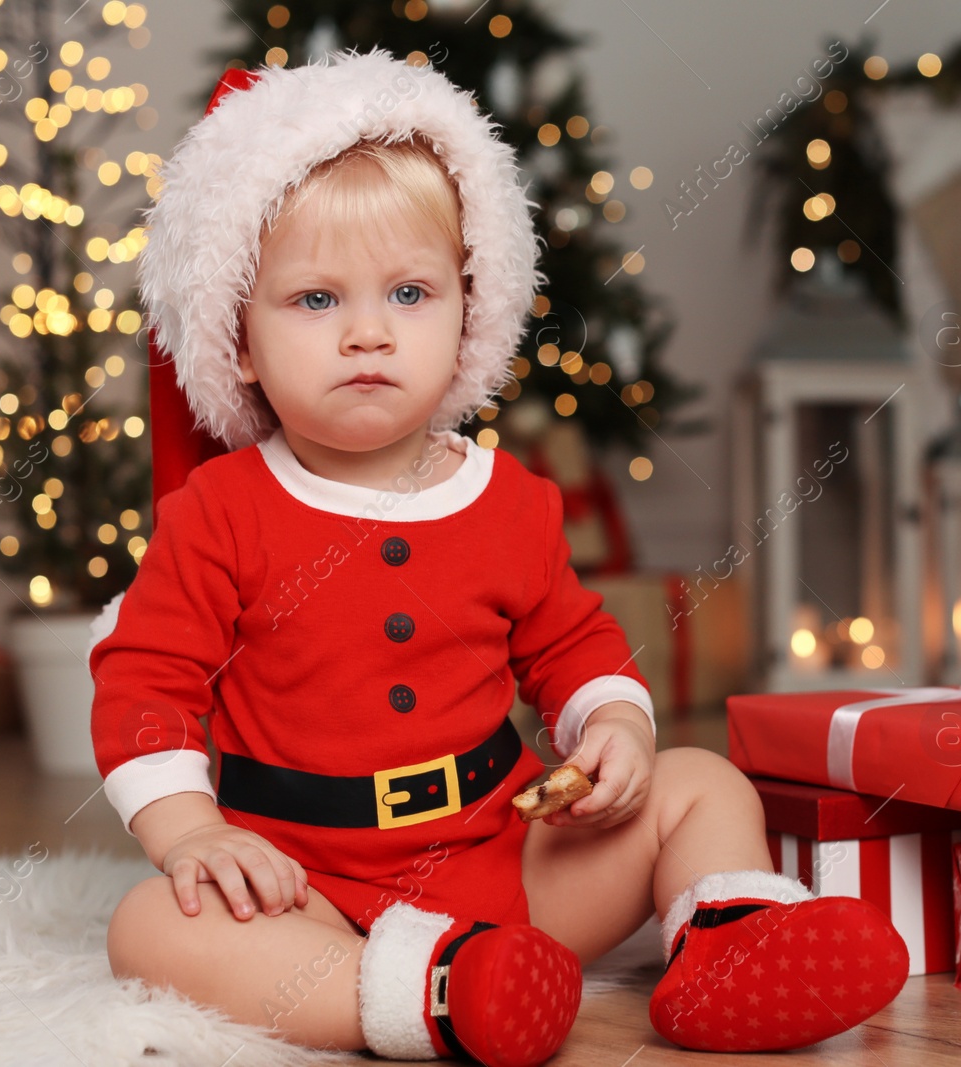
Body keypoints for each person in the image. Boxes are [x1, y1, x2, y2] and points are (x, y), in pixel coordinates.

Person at [91, 49, 908, 1066]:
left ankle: (730, 944)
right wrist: (191, 834)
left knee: (701, 782)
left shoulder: (506, 498)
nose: (367, 335)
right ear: (239, 341)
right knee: (149, 928)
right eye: (314, 301)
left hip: (506, 859)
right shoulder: (219, 509)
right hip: (306, 893)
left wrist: (609, 723)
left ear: (468, 311)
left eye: (409, 293)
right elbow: (145, 679)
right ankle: (428, 994)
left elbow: (573, 642)